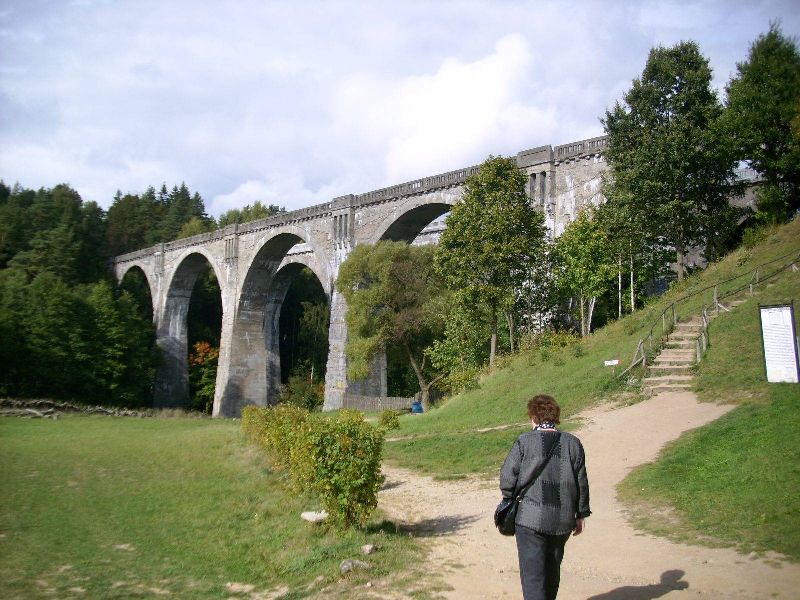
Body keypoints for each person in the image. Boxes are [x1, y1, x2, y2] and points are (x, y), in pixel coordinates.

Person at [499, 394, 590, 600]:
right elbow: (582, 483)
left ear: (533, 417)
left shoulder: (524, 442)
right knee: (552, 572)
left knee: (533, 577)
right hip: (563, 520)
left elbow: (507, 479)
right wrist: (580, 514)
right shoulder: (573, 443)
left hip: (530, 520)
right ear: (555, 416)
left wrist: (511, 497)